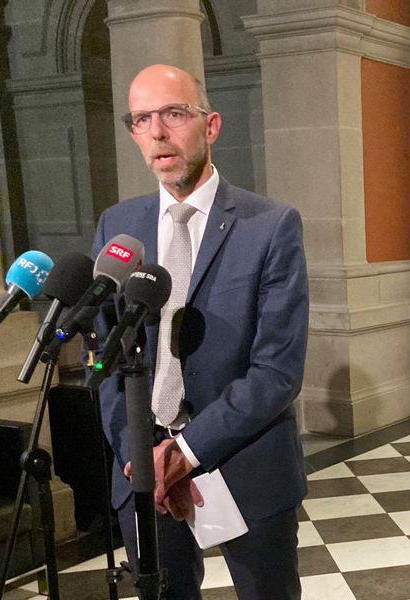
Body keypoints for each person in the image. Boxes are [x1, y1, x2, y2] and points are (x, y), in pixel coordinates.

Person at [92, 64, 308, 599]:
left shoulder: (271, 226)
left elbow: (277, 371)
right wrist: (138, 453)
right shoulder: (117, 226)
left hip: (244, 460)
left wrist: (185, 451)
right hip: (141, 469)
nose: (159, 132)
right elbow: (104, 357)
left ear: (210, 126)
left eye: (174, 114)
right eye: (142, 119)